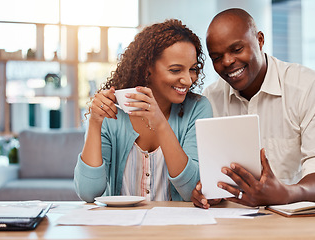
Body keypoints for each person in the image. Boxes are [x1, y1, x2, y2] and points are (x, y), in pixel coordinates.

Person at [191, 8, 315, 208]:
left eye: (237, 49)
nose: (227, 61)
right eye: (217, 57)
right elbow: (213, 174)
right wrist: (206, 192)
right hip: (237, 221)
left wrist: (286, 194)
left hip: (305, 219)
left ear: (260, 40)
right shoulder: (210, 99)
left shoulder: (311, 88)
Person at [74, 19, 213, 203]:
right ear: (148, 68)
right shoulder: (113, 112)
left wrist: (161, 124)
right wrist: (94, 123)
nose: (188, 80)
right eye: (175, 70)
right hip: (119, 227)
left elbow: (192, 190)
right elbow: (88, 193)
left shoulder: (198, 108)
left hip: (177, 228)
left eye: (193, 69)